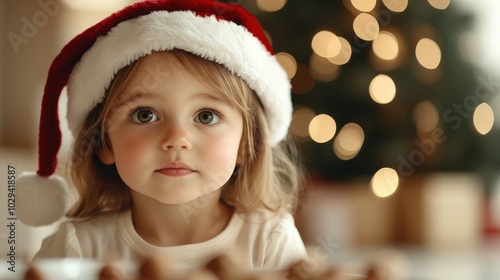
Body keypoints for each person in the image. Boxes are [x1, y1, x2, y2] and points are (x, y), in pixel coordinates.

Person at [17, 0, 307, 274]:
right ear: (104, 142)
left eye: (206, 116)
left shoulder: (270, 241)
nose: (177, 139)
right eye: (145, 115)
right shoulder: (77, 247)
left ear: (247, 144)